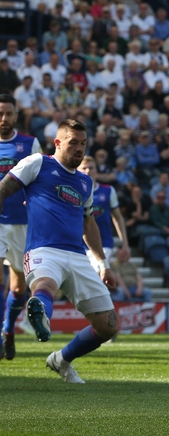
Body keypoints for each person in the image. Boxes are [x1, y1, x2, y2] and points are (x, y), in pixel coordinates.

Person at [0, 119, 119, 383]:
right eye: (73, 142)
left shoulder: (86, 183)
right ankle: (41, 314)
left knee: (108, 326)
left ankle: (61, 360)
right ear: (57, 142)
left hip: (77, 256)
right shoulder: (38, 163)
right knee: (45, 283)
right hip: (43, 249)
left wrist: (102, 263)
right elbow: (3, 189)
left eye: (83, 144)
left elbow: (89, 223)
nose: (79, 148)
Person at [0, 95, 40, 361]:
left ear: (16, 116)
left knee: (18, 290)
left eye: (8, 114)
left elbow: (40, 179)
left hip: (21, 224)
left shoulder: (29, 144)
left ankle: (7, 330)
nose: (3, 119)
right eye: (0, 113)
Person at [77, 156, 130, 274]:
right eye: (84, 168)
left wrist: (124, 243)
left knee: (97, 274)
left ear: (97, 170)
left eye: (91, 168)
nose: (88, 171)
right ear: (77, 170)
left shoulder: (108, 191)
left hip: (103, 244)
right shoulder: (72, 192)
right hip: (78, 245)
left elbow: (118, 218)